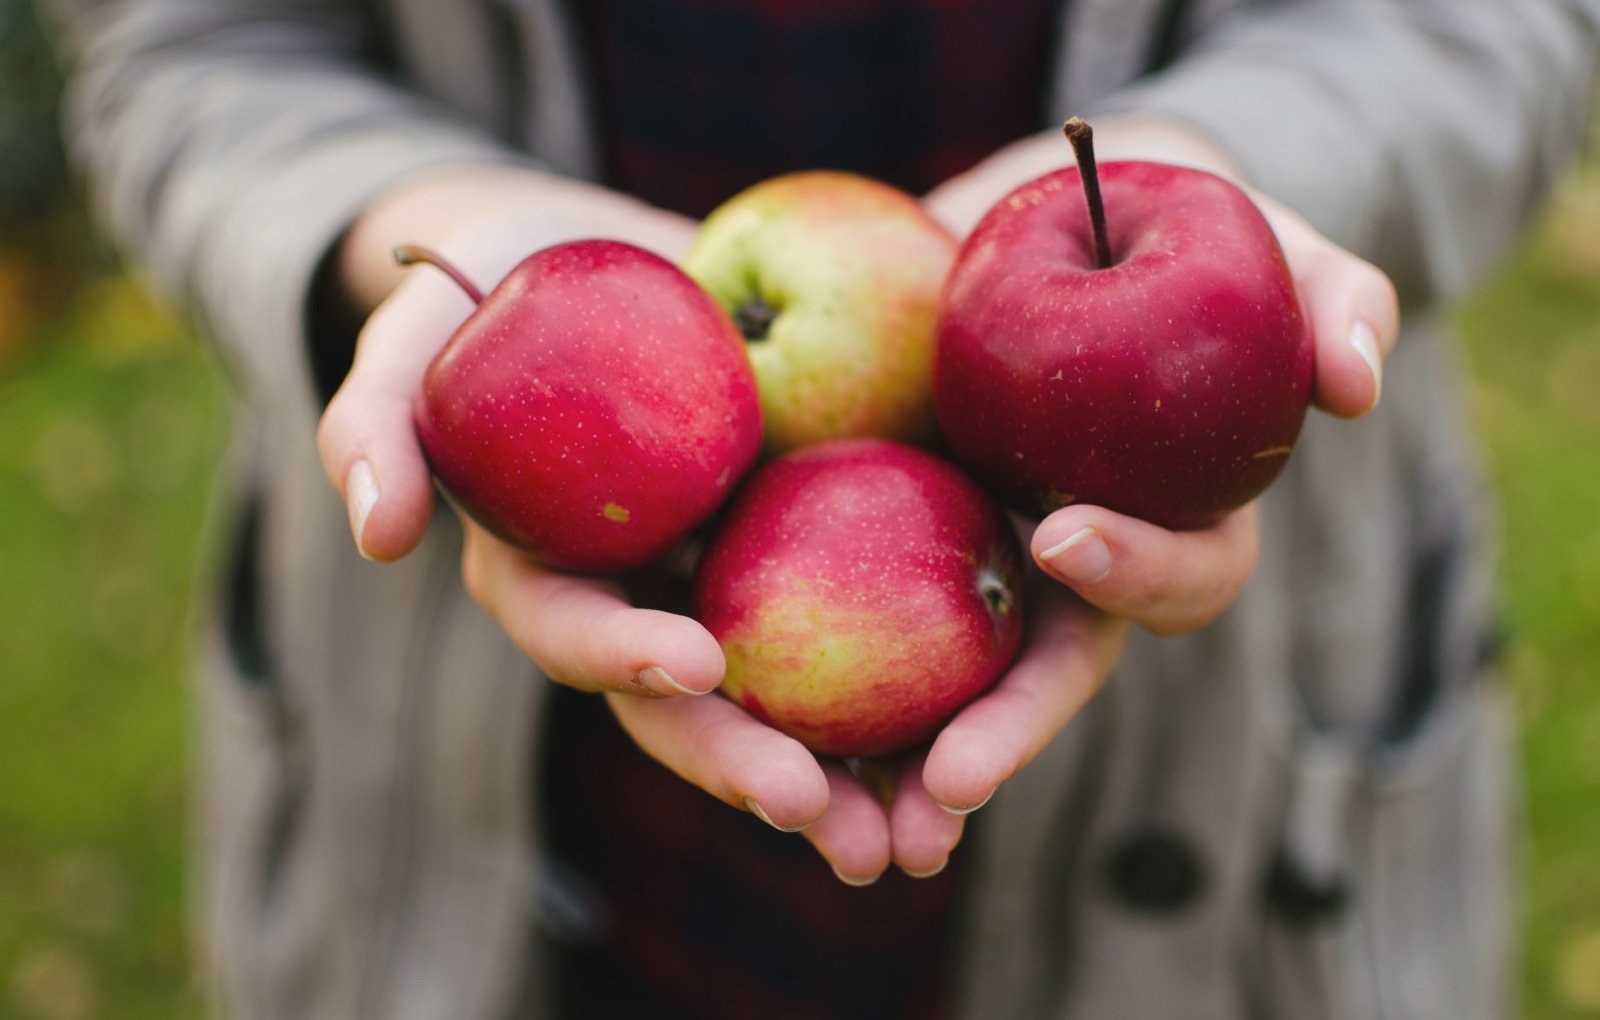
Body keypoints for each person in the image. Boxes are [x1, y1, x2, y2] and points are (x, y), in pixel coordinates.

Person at [45, 0, 1598, 1016]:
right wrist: (413, 235)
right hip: (494, 806)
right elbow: (186, 48)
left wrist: (1222, 171)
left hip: (1225, 794)